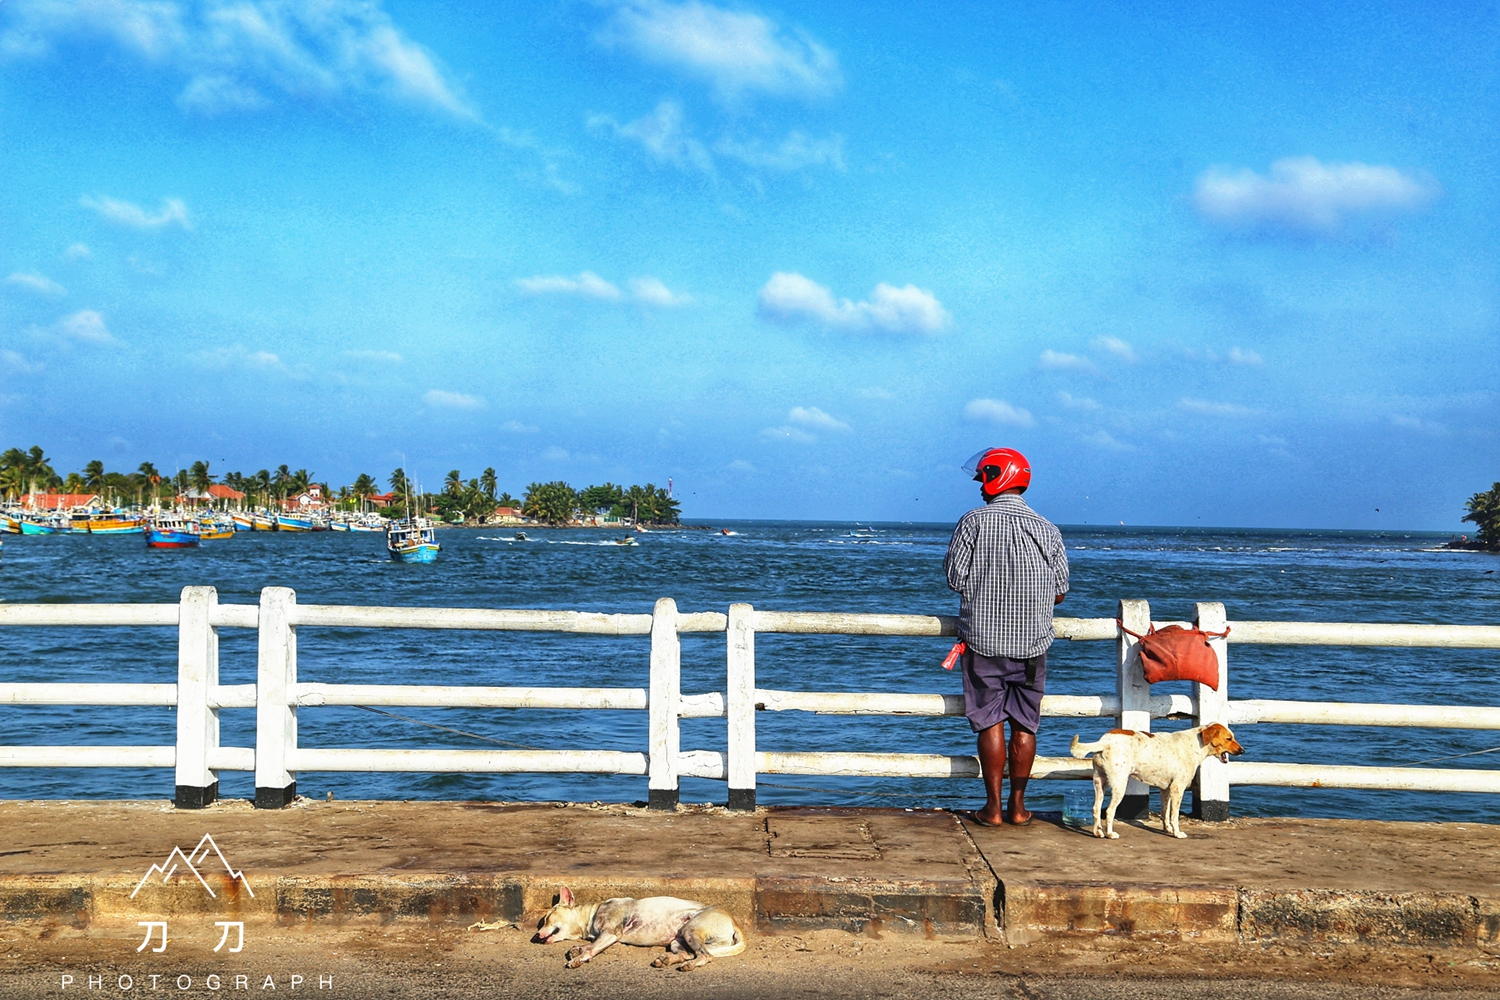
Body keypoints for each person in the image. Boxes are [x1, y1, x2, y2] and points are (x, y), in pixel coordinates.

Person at [943, 447, 1069, 827]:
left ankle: (992, 809)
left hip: (983, 641)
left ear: (1000, 476)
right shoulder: (1047, 528)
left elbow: (954, 578)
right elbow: (1061, 589)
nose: (980, 486)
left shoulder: (973, 522)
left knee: (989, 721)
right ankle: (1019, 808)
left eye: (983, 477)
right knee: (1025, 723)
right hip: (1032, 645)